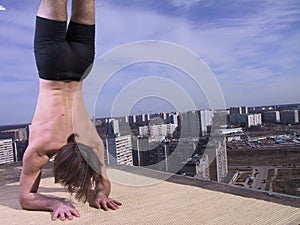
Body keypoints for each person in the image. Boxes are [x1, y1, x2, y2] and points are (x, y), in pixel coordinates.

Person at [19, 0, 121, 221]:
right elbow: (25, 198)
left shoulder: (92, 143)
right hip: (51, 64)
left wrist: (101, 193)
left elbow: (104, 184)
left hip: (81, 64)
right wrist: (55, 202)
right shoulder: (41, 148)